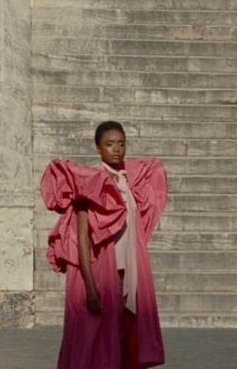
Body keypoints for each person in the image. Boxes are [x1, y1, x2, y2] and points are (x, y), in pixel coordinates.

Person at [41, 121, 168, 369]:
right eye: (109, 144)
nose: (117, 149)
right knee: (90, 336)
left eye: (121, 144)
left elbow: (154, 170)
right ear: (98, 147)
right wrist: (89, 285)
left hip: (125, 270)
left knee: (120, 334)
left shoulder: (127, 183)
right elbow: (81, 236)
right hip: (96, 270)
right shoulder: (88, 181)